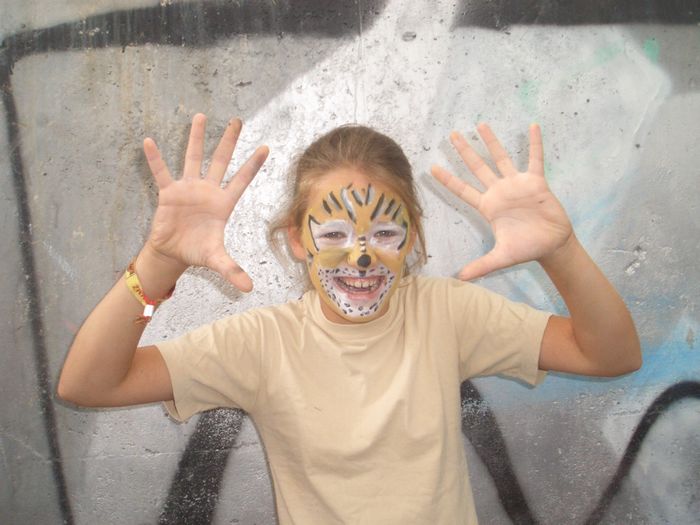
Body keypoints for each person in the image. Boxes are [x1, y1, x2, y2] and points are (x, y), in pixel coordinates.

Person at [57, 114, 641, 524]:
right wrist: (158, 262)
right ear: (297, 239)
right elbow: (88, 384)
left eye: (384, 233)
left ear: (412, 236)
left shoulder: (446, 312)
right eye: (333, 233)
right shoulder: (263, 343)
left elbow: (610, 354)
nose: (360, 258)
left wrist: (560, 250)